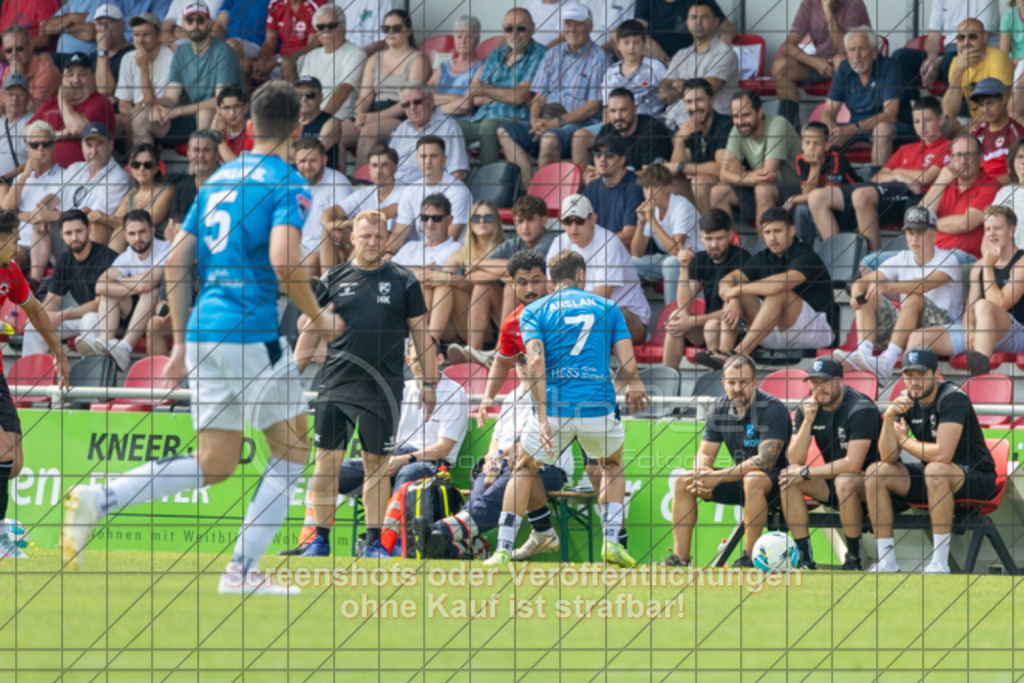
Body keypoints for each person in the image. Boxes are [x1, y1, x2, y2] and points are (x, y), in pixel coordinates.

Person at [61, 82, 338, 596]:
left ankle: (102, 498)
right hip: (252, 332)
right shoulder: (286, 181)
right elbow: (283, 260)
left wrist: (184, 343)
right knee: (295, 451)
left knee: (216, 464)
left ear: (249, 126)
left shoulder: (217, 181)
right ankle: (241, 571)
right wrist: (318, 317)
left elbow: (176, 260)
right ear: (298, 128)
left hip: (208, 331)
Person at [484, 249, 649, 567]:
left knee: (523, 466)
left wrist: (543, 417)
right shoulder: (608, 307)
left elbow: (535, 362)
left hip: (556, 409)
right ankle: (613, 542)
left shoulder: (533, 312)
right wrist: (632, 383)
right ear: (581, 275)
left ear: (551, 279)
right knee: (611, 466)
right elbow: (628, 365)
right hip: (598, 408)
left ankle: (503, 547)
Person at [298, 209, 437, 559]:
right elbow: (312, 330)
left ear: (386, 237)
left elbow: (421, 333)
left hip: (384, 388)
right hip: (336, 383)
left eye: (378, 236)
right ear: (353, 238)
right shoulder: (333, 278)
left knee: (376, 464)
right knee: (326, 462)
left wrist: (429, 382)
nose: (372, 242)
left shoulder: (404, 280)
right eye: (366, 236)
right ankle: (319, 540)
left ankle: (375, 544)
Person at [290, 348, 466, 557]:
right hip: (395, 455)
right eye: (414, 358)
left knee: (407, 475)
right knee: (330, 473)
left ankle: (383, 546)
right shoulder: (401, 389)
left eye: (424, 357)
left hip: (431, 462)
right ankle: (312, 541)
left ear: (439, 358)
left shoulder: (455, 392)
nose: (418, 362)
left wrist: (403, 459)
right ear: (407, 360)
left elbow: (443, 448)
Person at [415, 360, 572, 561]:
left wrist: (498, 456)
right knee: (482, 491)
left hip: (547, 466)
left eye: (527, 362)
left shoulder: (552, 395)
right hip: (507, 462)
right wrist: (491, 460)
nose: (523, 367)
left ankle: (442, 530)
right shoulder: (511, 398)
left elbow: (528, 441)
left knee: (506, 480)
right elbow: (496, 439)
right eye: (519, 362)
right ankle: (455, 544)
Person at [865, 346, 997, 574]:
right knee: (876, 473)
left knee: (936, 469)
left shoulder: (953, 398)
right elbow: (889, 457)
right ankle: (886, 560)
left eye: (921, 375)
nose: (914, 382)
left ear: (936, 375)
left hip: (976, 476)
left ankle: (940, 563)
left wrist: (905, 441)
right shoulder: (906, 400)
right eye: (909, 376)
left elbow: (943, 454)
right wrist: (889, 418)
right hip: (934, 477)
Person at [665, 353, 789, 568]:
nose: (737, 388)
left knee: (753, 479)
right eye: (731, 382)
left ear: (755, 382)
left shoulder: (772, 409)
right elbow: (705, 454)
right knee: (683, 481)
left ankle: (750, 559)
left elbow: (765, 462)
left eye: (743, 382)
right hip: (739, 480)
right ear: (724, 383)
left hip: (778, 484)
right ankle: (680, 560)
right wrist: (701, 474)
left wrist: (717, 477)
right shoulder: (719, 408)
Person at [0, 208, 69, 560]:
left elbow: (35, 309)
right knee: (4, 454)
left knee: (14, 463)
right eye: (13, 239)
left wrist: (58, 350)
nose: (18, 245)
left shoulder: (11, 272)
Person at [838, 205, 964, 380]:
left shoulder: (949, 259)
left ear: (934, 234)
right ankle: (863, 353)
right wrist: (856, 294)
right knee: (869, 294)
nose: (914, 238)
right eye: (910, 233)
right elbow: (863, 282)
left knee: (913, 297)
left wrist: (889, 287)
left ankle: (887, 361)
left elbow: (923, 285)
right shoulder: (902, 257)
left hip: (943, 327)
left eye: (920, 232)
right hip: (908, 329)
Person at [809, 97, 950, 252]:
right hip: (886, 191)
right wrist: (898, 175)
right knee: (816, 197)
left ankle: (872, 261)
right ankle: (838, 258)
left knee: (861, 195)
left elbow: (925, 177)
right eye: (916, 122)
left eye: (927, 120)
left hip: (912, 196)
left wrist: (895, 173)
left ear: (941, 119)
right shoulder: (906, 149)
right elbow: (877, 177)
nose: (921, 127)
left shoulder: (948, 147)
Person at [780, 358, 881, 570]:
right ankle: (804, 558)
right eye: (814, 382)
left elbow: (853, 464)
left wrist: (807, 472)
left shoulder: (860, 407)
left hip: (872, 484)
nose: (819, 389)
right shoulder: (808, 408)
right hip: (835, 483)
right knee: (789, 478)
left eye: (824, 382)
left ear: (839, 381)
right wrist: (807, 421)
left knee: (845, 480)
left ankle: (853, 557)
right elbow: (794, 459)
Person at [496, 3, 607, 187]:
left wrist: (555, 124)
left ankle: (545, 197)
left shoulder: (598, 57)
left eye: (577, 24)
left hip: (576, 124)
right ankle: (529, 187)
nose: (572, 29)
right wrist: (534, 120)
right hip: (546, 120)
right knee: (504, 131)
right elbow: (539, 94)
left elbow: (593, 106)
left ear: (590, 26)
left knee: (548, 139)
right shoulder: (552, 54)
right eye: (568, 24)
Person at [709, 207, 836, 364]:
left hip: (816, 332)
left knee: (778, 294)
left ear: (791, 231)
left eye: (777, 231)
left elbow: (779, 286)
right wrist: (734, 296)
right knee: (739, 293)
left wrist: (736, 290)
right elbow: (728, 279)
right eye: (767, 232)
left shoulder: (806, 256)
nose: (772, 237)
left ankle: (739, 354)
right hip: (773, 332)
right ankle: (725, 353)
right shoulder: (763, 257)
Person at [910, 206, 1024, 377]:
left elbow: (999, 303)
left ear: (1011, 230)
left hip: (1016, 332)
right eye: (988, 229)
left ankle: (979, 379)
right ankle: (924, 392)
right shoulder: (977, 267)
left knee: (984, 307)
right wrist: (969, 328)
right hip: (982, 331)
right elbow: (970, 310)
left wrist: (988, 267)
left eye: (997, 229)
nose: (991, 234)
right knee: (919, 337)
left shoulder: (1020, 263)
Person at [545, 194, 651, 343]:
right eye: (568, 221)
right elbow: (551, 287)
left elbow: (602, 296)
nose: (573, 227)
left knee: (607, 315)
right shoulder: (558, 242)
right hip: (584, 316)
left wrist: (567, 304)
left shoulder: (609, 242)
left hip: (629, 318)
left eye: (579, 221)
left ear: (593, 219)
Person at [78, 210, 171, 371]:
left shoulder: (166, 248)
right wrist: (131, 284)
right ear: (125, 235)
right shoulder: (128, 255)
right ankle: (105, 343)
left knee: (150, 291)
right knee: (108, 292)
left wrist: (121, 280)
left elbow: (149, 282)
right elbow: (100, 284)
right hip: (135, 312)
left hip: (159, 313)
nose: (138, 238)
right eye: (132, 234)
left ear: (153, 230)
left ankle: (125, 347)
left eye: (142, 232)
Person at [20, 210, 117, 356]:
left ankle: (90, 375)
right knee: (33, 326)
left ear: (89, 229)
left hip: (110, 319)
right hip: (82, 316)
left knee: (89, 320)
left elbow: (100, 304)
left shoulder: (106, 258)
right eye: (68, 233)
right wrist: (43, 316)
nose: (74, 237)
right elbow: (53, 300)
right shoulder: (65, 260)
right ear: (61, 234)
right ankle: (33, 378)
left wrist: (61, 316)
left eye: (79, 231)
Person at [459, 8, 546, 168]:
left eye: (521, 28)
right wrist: (504, 93)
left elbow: (519, 97)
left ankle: (489, 186)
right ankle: (455, 181)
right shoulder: (497, 54)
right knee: (450, 127)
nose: (514, 33)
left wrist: (487, 89)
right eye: (509, 29)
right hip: (482, 116)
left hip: (516, 120)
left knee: (488, 127)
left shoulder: (539, 54)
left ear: (532, 28)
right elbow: (476, 97)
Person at [663, 208, 749, 369]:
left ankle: (719, 377)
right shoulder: (701, 258)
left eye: (719, 238)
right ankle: (667, 380)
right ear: (701, 237)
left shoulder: (742, 258)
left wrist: (693, 321)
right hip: (710, 325)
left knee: (712, 325)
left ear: (730, 235)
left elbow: (734, 310)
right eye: (708, 239)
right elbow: (684, 306)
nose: (714, 244)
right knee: (676, 318)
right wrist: (683, 268)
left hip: (737, 328)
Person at [818, 27, 915, 167]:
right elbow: (828, 111)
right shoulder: (844, 68)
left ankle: (878, 184)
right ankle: (821, 182)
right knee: (812, 132)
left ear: (874, 52)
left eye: (862, 49)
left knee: (881, 130)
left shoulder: (890, 67)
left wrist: (851, 129)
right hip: (856, 129)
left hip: (895, 128)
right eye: (851, 50)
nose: (856, 55)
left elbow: (890, 115)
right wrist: (832, 129)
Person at [771, 0, 872, 129]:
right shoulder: (809, 3)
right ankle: (788, 129)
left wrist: (828, 11)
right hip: (820, 62)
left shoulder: (854, 4)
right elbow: (788, 46)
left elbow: (845, 48)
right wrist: (816, 63)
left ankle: (844, 126)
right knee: (780, 67)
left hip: (850, 63)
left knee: (841, 61)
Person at [152, 1, 245, 139]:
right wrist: (160, 108)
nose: (195, 25)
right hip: (193, 115)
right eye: (190, 21)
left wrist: (177, 111)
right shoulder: (181, 52)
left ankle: (201, 159)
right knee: (141, 119)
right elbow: (171, 97)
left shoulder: (224, 51)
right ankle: (144, 159)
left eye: (200, 20)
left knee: (205, 113)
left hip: (227, 116)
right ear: (183, 24)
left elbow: (222, 100)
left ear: (210, 23)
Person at [709, 91, 802, 229]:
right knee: (718, 191)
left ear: (759, 112)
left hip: (795, 190)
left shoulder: (778, 125)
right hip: (763, 188)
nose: (740, 122)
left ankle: (763, 248)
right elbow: (723, 174)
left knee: (763, 189)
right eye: (735, 116)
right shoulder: (737, 130)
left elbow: (767, 175)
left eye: (745, 115)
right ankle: (727, 246)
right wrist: (749, 176)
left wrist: (741, 175)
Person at [474, 249, 550, 417]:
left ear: (547, 279)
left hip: (578, 397)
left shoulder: (563, 310)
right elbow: (501, 363)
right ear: (513, 284)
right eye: (522, 282)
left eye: (536, 281)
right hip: (543, 405)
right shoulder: (511, 323)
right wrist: (488, 396)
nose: (530, 289)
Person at [351, 9, 429, 166]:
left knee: (368, 132)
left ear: (408, 31)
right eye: (386, 29)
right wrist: (360, 115)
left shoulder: (418, 59)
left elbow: (411, 100)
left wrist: (374, 118)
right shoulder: (374, 58)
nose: (390, 32)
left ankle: (361, 183)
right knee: (337, 131)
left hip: (402, 113)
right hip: (372, 112)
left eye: (397, 28)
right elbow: (365, 96)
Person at [427, 199, 506, 351]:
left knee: (451, 284)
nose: (482, 221)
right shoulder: (463, 252)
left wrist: (449, 278)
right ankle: (424, 342)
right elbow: (441, 280)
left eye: (488, 217)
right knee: (437, 286)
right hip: (464, 325)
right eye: (476, 218)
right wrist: (430, 276)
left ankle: (427, 346)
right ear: (470, 223)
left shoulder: (504, 249)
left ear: (497, 222)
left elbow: (479, 288)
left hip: (491, 326)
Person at [53, 123, 130, 270]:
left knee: (94, 226)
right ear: (82, 147)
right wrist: (44, 209)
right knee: (39, 224)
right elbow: (55, 199)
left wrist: (50, 215)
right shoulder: (75, 168)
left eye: (99, 145)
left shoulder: (118, 178)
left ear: (111, 145)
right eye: (88, 145)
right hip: (66, 233)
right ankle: (35, 280)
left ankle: (82, 272)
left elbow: (90, 217)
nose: (93, 151)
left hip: (87, 237)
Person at [319, 144, 401, 272]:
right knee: (328, 231)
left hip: (392, 246)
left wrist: (344, 223)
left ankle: (342, 278)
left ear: (395, 168)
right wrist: (331, 227)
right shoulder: (364, 193)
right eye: (374, 166)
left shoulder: (405, 192)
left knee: (366, 235)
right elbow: (329, 212)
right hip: (368, 244)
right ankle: (326, 282)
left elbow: (383, 214)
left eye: (384, 165)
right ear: (369, 170)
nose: (379, 171)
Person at [918, 134, 999, 261]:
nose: (963, 161)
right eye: (958, 155)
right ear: (951, 158)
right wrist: (940, 182)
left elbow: (963, 224)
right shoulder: (945, 182)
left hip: (964, 257)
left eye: (969, 155)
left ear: (980, 158)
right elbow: (919, 217)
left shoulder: (991, 185)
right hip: (931, 253)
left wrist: (929, 223)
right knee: (875, 260)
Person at [28, 52, 116, 168]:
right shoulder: (50, 103)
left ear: (92, 77)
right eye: (70, 75)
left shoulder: (99, 102)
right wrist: (61, 134)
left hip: (84, 176)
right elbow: (27, 133)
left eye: (82, 74)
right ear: (62, 79)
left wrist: (62, 100)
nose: (75, 80)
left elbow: (77, 129)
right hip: (47, 176)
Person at [630, 162, 701, 306]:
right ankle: (635, 314)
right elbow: (636, 253)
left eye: (655, 186)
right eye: (646, 187)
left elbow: (676, 250)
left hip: (696, 259)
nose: (649, 192)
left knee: (670, 264)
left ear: (668, 187)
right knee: (628, 263)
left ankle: (672, 317)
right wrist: (641, 223)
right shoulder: (653, 209)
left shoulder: (681, 206)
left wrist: (652, 221)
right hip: (672, 259)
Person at [389, 135, 472, 254]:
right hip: (421, 253)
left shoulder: (458, 191)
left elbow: (450, 237)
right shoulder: (410, 191)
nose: (428, 161)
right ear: (417, 159)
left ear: (444, 159)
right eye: (423, 156)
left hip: (451, 256)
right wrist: (387, 254)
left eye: (433, 156)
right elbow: (399, 233)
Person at [660, 1, 738, 126]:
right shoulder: (681, 55)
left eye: (704, 17)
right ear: (687, 22)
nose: (698, 22)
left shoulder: (724, 53)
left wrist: (679, 84)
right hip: (673, 123)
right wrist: (685, 87)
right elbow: (664, 95)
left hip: (710, 127)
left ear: (716, 22)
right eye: (693, 17)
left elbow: (705, 91)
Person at [2, 120, 61, 280]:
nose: (40, 149)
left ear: (54, 146)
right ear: (27, 147)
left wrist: (17, 214)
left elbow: (40, 214)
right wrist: (27, 172)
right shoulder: (22, 177)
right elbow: (6, 208)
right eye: (34, 145)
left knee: (8, 254)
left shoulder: (63, 176)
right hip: (13, 239)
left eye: (46, 144)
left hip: (35, 244)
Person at [572, 89, 673, 181]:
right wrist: (589, 177)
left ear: (635, 109)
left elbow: (652, 176)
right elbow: (590, 168)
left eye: (623, 110)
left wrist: (613, 175)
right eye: (613, 111)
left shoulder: (652, 130)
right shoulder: (607, 130)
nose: (618, 117)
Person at [666, 78, 732, 214]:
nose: (694, 107)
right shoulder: (689, 127)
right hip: (703, 185)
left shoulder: (725, 125)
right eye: (689, 102)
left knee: (699, 182)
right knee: (669, 186)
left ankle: (707, 232)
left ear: (711, 100)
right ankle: (683, 232)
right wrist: (679, 141)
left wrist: (682, 166)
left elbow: (720, 168)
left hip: (734, 186)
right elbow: (675, 171)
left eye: (699, 100)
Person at [787, 121, 860, 244]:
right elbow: (807, 192)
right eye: (807, 143)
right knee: (801, 208)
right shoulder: (801, 159)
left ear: (827, 145)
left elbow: (828, 195)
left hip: (848, 204)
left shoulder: (836, 157)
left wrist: (794, 198)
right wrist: (815, 167)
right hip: (819, 203)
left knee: (808, 204)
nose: (811, 147)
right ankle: (803, 248)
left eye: (817, 143)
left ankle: (828, 250)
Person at [90, 141, 170, 251]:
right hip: (133, 240)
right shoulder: (131, 194)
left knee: (120, 231)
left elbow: (146, 222)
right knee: (99, 226)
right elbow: (117, 218)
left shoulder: (166, 191)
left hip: (155, 242)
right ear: (131, 169)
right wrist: (96, 217)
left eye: (147, 165)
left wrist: (105, 217)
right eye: (136, 165)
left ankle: (111, 268)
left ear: (156, 168)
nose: (141, 169)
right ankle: (92, 266)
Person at [297, 5, 366, 126]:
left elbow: (343, 91)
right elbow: (302, 91)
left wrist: (319, 122)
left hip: (340, 119)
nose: (326, 30)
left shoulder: (356, 54)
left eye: (332, 25)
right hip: (309, 119)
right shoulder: (311, 56)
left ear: (344, 27)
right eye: (321, 27)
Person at [293, 136, 352, 277]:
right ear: (295, 161)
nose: (307, 166)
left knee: (311, 261)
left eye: (312, 161)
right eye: (302, 161)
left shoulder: (337, 183)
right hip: (299, 245)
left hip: (331, 247)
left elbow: (341, 228)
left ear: (324, 160)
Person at [389, 82, 469, 184]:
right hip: (395, 188)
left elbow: (458, 172)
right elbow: (388, 164)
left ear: (431, 101)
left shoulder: (448, 128)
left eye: (417, 102)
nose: (412, 108)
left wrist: (434, 195)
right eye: (406, 104)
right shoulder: (402, 128)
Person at [117, 13, 176, 148]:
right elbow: (123, 105)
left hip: (167, 119)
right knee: (109, 122)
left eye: (146, 35)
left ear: (159, 36)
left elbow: (154, 105)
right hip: (137, 114)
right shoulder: (127, 58)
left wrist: (144, 69)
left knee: (139, 118)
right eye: (136, 35)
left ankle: (145, 163)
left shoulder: (170, 59)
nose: (140, 40)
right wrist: (133, 111)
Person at [943, 18, 1012, 125]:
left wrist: (967, 130)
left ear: (984, 38)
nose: (966, 42)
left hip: (999, 122)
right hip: (975, 122)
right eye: (961, 38)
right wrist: (958, 72)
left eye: (972, 37)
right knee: (945, 124)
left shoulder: (997, 58)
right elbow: (949, 112)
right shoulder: (957, 62)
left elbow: (997, 109)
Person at [581, 135, 644, 243]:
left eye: (609, 155)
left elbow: (629, 234)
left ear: (622, 160)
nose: (602, 159)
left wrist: (596, 244)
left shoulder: (635, 186)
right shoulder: (591, 188)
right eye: (598, 154)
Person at [601, 20, 667, 119]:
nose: (631, 47)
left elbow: (667, 97)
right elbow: (607, 108)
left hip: (650, 123)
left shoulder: (656, 67)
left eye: (636, 42)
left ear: (644, 43)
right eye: (626, 43)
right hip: (619, 123)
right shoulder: (611, 72)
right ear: (618, 45)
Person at [633, 0, 734, 63]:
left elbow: (727, 27)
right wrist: (650, 43)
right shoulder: (645, 1)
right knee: (626, 38)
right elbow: (636, 29)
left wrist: (721, 51)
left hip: (690, 57)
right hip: (657, 58)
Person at [166, 129, 221, 243]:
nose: (200, 155)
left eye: (206, 150)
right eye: (196, 150)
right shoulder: (183, 186)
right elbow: (169, 230)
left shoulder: (226, 186)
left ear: (216, 155)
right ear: (188, 154)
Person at [251, 0, 325, 83]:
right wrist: (263, 61)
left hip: (305, 58)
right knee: (246, 65)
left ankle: (291, 95)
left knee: (287, 64)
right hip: (281, 57)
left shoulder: (315, 5)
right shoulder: (276, 4)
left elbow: (312, 46)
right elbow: (269, 42)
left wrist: (278, 60)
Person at [968, 78, 1024, 184]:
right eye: (981, 105)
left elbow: (1018, 173)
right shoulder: (976, 132)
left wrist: (988, 186)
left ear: (1003, 99)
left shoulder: (1017, 133)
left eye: (989, 103)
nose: (985, 109)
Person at [427, 15, 481, 118]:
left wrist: (434, 110)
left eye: (468, 37)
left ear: (477, 40)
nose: (463, 41)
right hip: (434, 121)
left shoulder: (480, 67)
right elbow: (425, 96)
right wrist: (452, 98)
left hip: (461, 122)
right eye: (459, 37)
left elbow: (466, 104)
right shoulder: (443, 66)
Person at [1, 26, 60, 109]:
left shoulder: (47, 71)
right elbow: (3, 103)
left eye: (19, 48)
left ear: (30, 47)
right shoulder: (8, 70)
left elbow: (29, 109)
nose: (14, 54)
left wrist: (18, 78)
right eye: (9, 51)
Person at [294, 76, 342, 170]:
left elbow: (315, 152)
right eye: (298, 95)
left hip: (322, 180)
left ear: (320, 97)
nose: (304, 99)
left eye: (310, 94)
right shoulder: (288, 122)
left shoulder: (331, 122)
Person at [92, 4, 133, 99]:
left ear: (122, 25)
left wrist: (102, 50)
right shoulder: (93, 56)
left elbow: (105, 89)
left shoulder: (132, 54)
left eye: (109, 23)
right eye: (99, 24)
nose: (103, 28)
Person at [0, 74, 31, 194]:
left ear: (28, 98)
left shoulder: (32, 123)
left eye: (20, 94)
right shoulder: (1, 122)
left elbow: (34, 159)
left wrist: (5, 177)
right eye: (10, 94)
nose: (15, 99)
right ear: (3, 96)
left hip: (13, 184)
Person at [994, 139, 1024, 247]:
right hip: (1004, 258)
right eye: (1020, 157)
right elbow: (989, 233)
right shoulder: (1004, 193)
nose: (1023, 162)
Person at [209, 85, 248, 162]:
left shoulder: (252, 129)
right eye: (226, 108)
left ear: (245, 108)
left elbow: (239, 167)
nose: (232, 113)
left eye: (237, 107)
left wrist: (219, 138)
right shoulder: (218, 128)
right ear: (218, 110)